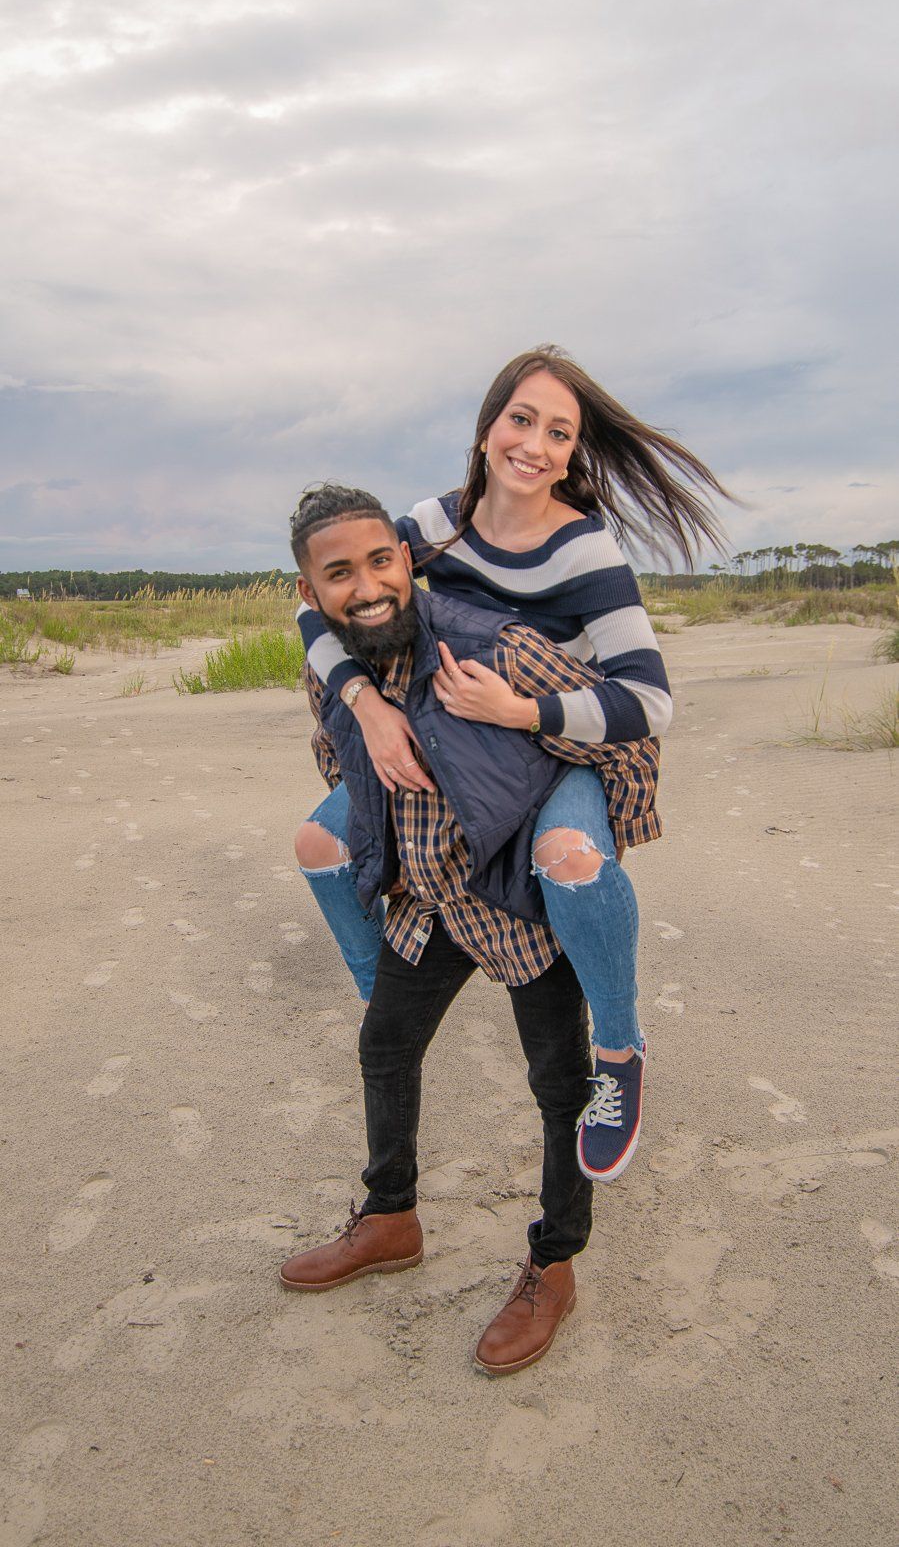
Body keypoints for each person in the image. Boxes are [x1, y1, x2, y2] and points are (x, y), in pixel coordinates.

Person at [295, 346, 727, 1182]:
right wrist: (367, 704)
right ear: (488, 427)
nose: (535, 444)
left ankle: (618, 1049)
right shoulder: (433, 522)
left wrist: (520, 710)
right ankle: (377, 981)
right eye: (521, 420)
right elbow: (313, 606)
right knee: (320, 846)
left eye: (559, 433)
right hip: (456, 746)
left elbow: (650, 701)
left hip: (553, 744)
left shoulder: (583, 552)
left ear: (573, 453)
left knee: (565, 859)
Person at [280, 484, 669, 1372]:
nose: (367, 586)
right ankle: (390, 1219)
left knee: (558, 1085)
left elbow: (631, 739)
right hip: (431, 898)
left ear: (408, 561)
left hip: (520, 905)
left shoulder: (496, 650)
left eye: (382, 561)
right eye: (338, 574)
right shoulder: (332, 670)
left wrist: (584, 845)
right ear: (310, 594)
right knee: (384, 1046)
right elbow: (335, 758)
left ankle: (553, 1264)